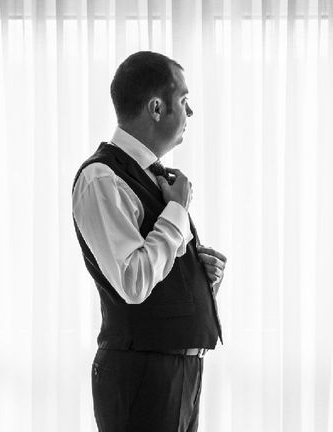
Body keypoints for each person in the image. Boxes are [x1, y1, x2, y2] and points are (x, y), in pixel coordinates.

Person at [71, 51, 226, 431]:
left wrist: (200, 280)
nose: (190, 114)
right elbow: (133, 281)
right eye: (185, 101)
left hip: (178, 370)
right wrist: (176, 212)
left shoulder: (154, 177)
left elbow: (157, 275)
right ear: (156, 108)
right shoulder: (102, 179)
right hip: (143, 373)